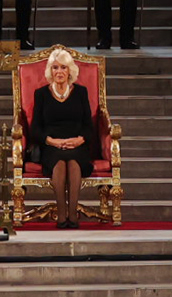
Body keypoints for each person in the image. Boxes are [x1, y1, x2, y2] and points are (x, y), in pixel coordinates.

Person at [24, 45, 110, 228]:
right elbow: (35, 129)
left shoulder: (80, 92)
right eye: (55, 67)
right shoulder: (41, 94)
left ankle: (72, 214)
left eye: (63, 67)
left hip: (77, 145)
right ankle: (62, 215)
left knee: (73, 163)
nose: (59, 71)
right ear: (50, 71)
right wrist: (51, 141)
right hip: (51, 146)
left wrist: (80, 139)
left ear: (70, 70)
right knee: (60, 162)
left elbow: (88, 125)